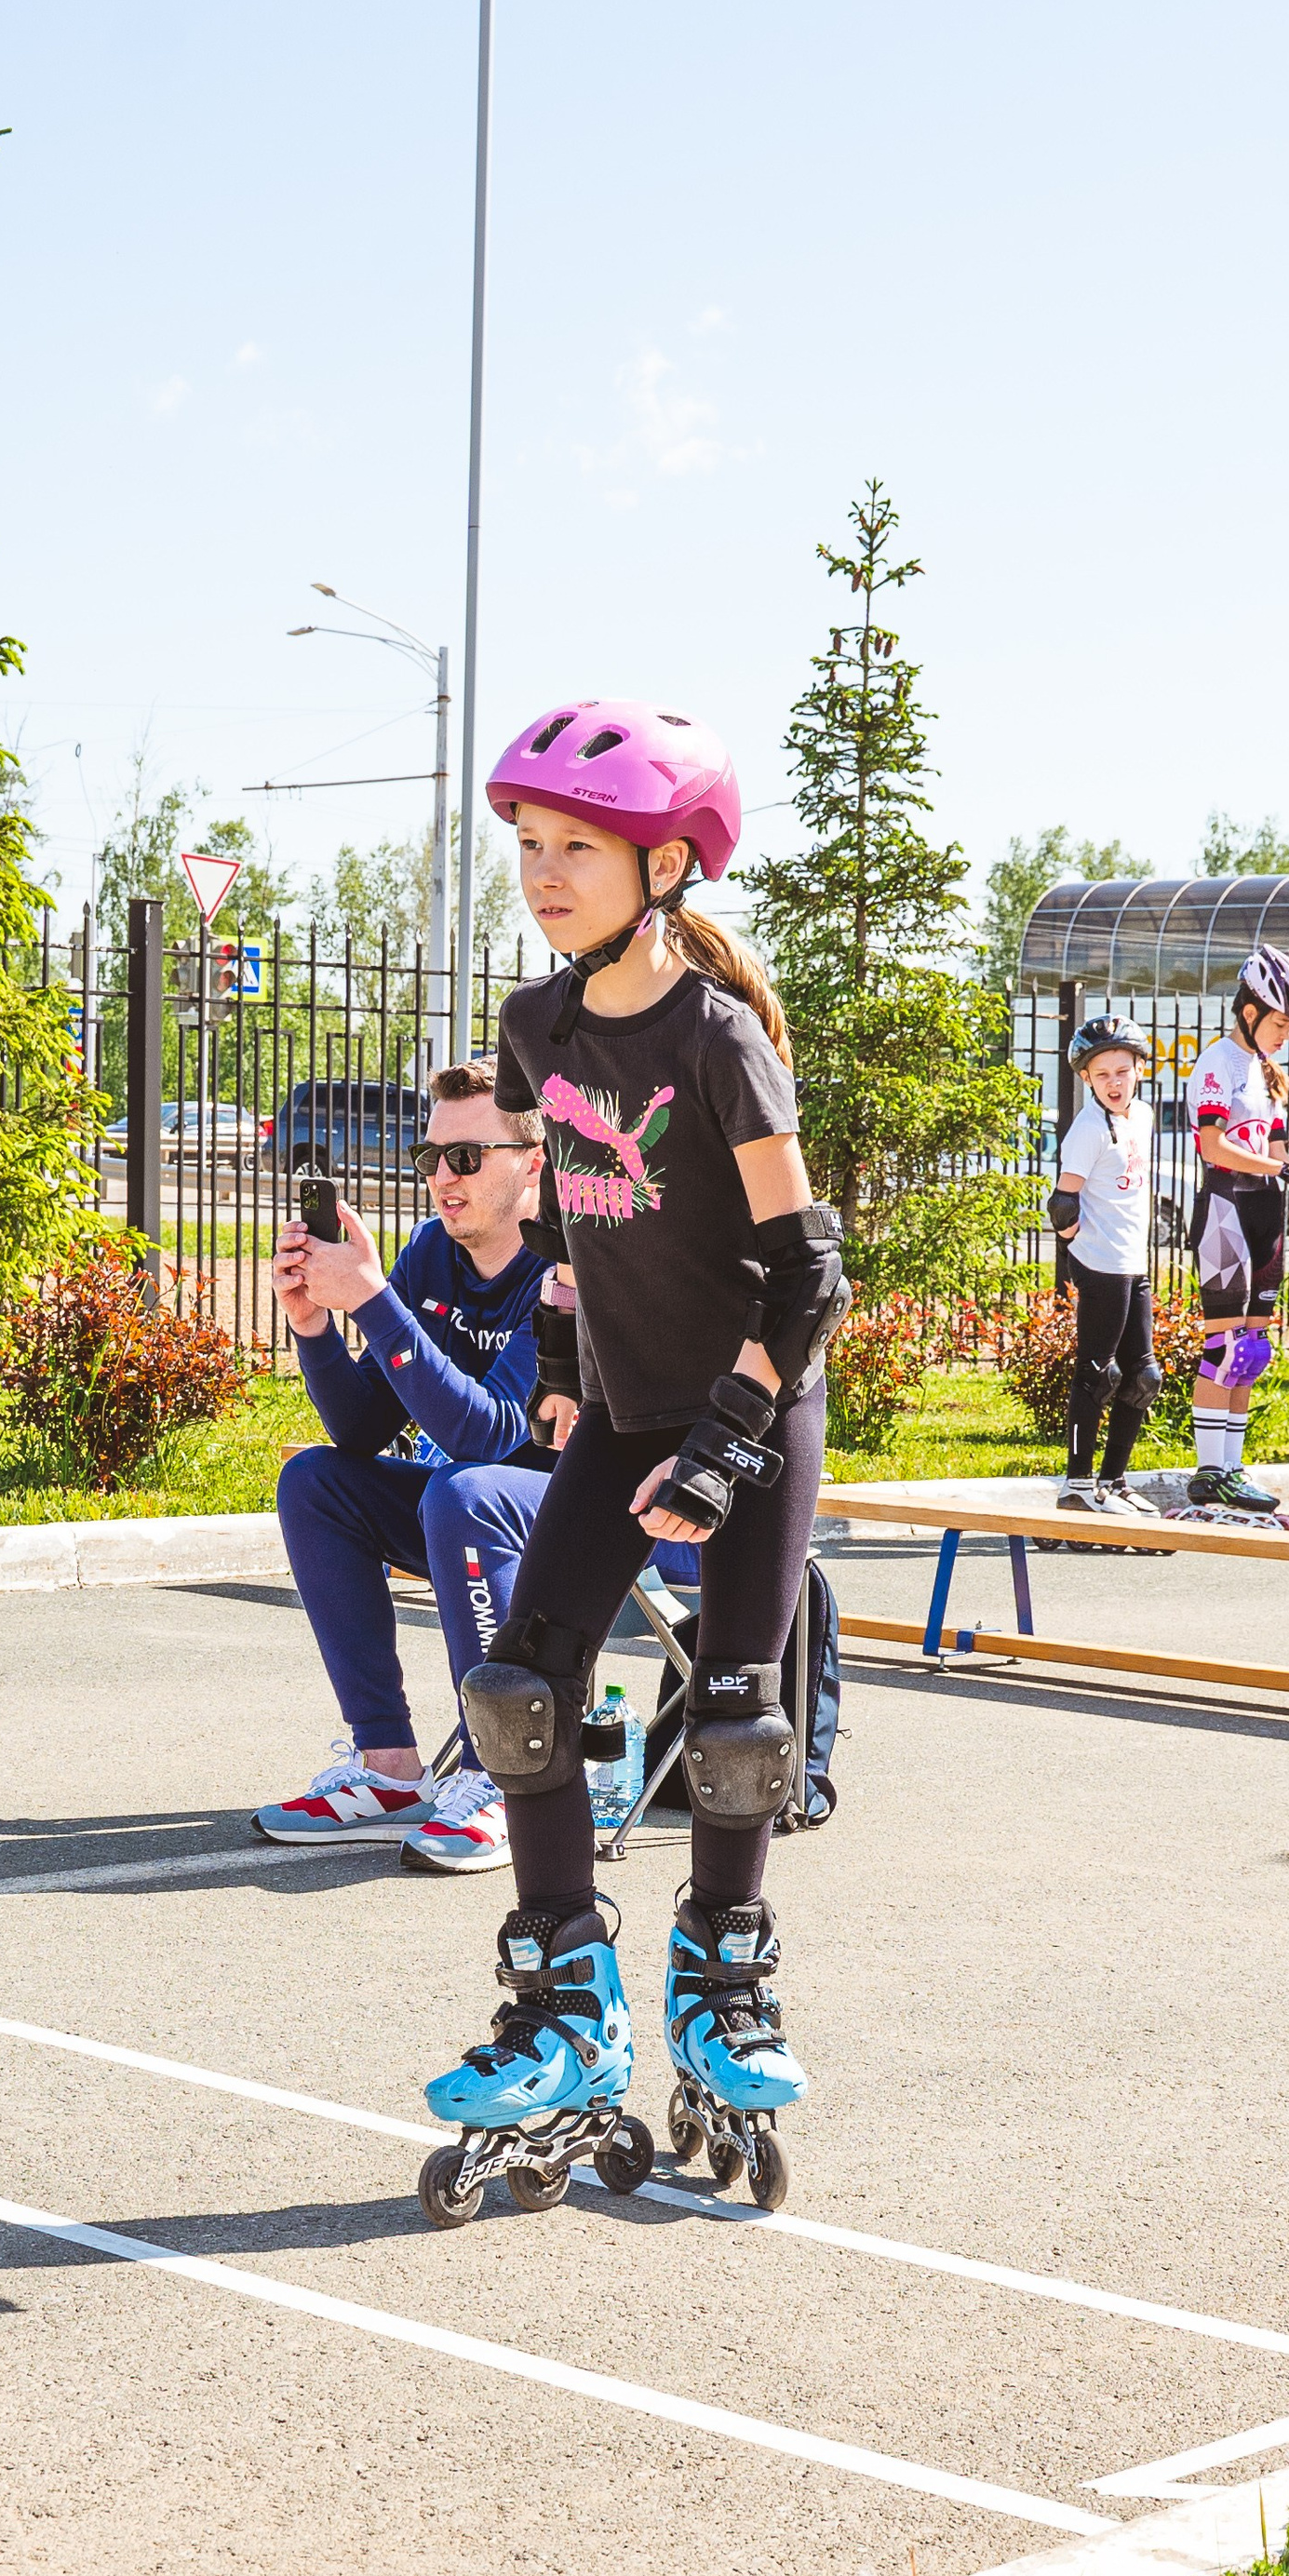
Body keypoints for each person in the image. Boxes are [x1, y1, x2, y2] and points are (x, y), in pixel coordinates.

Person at [418, 697, 848, 2226]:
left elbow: (807, 1277)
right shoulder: (536, 1029)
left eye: (576, 849)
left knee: (736, 1714)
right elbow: (566, 1226)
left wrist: (730, 1437)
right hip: (619, 1411)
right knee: (520, 1687)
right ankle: (563, 2011)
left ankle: (726, 1996)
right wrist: (554, 1372)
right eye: (530, 845)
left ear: (665, 864)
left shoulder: (719, 1040)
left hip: (755, 1405)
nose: (543, 872)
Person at [258, 1058, 550, 1874]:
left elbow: (489, 1433)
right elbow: (362, 1429)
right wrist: (314, 1325)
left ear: (533, 1161)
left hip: (585, 1518)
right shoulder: (429, 1255)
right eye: (430, 1157)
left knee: (465, 1489)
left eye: (466, 1157)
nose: (441, 1177)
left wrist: (372, 1301)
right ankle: (388, 1769)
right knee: (315, 1483)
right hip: (468, 1513)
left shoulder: (569, 1267)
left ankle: (503, 1779)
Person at [1182, 946, 1289, 1520]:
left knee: (1252, 1351)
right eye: (1281, 1023)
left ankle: (1232, 1469)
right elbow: (1214, 1146)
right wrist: (1283, 1170)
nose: (1286, 1035)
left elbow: (1277, 1148)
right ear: (1250, 1011)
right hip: (1225, 1206)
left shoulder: (1265, 1073)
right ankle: (1209, 1473)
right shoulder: (1217, 1062)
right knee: (1224, 1346)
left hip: (1264, 1210)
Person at [1048, 1015, 1163, 1518]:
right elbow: (1062, 1204)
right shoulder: (1089, 1129)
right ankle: (1077, 1484)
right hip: (1100, 1263)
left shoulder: (1145, 1116)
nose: (1114, 1083)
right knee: (1099, 1373)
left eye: (1122, 1071)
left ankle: (1113, 1483)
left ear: (1140, 1068)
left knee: (1144, 1377)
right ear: (1086, 1078)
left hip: (1133, 1262)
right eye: (1102, 1075)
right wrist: (1077, 1246)